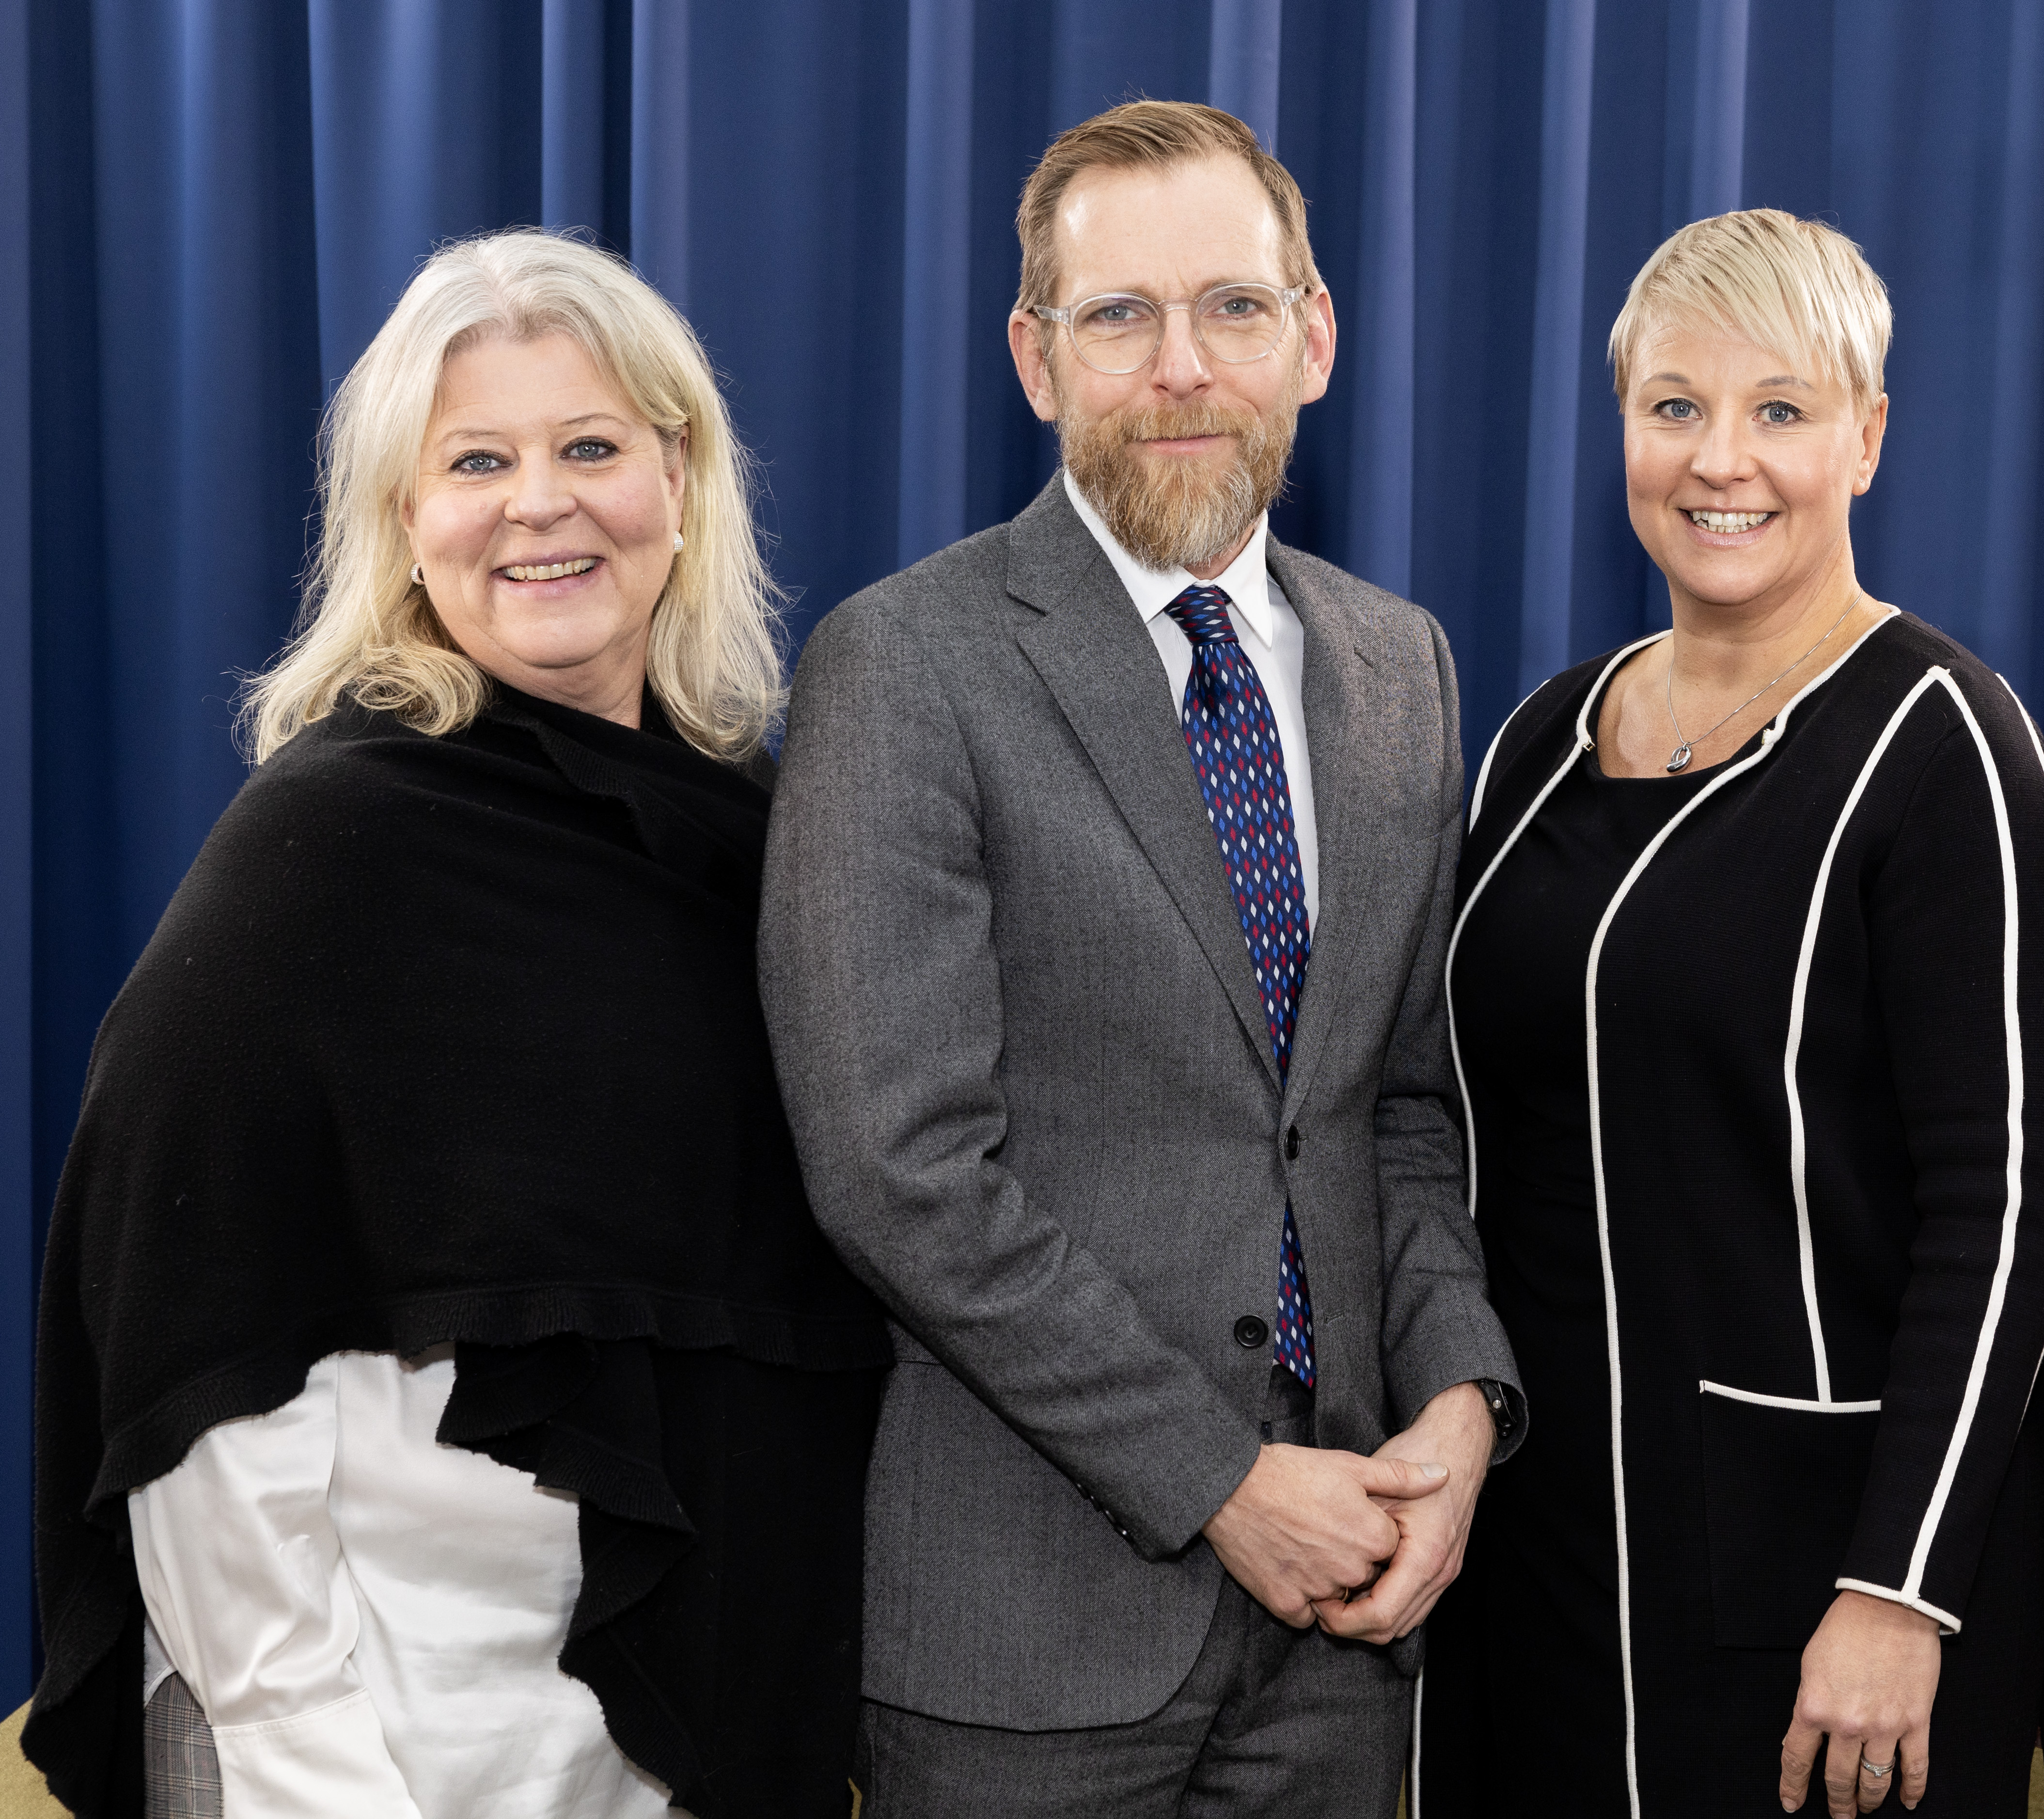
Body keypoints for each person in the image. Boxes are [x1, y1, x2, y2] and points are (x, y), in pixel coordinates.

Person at [22, 230, 893, 1819]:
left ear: (680, 482)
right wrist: (300, 1742)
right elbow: (190, 1337)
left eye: (590, 447)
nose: (539, 503)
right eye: (476, 461)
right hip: (376, 1735)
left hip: (672, 1733)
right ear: (405, 523)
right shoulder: (325, 848)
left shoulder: (756, 837)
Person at [756, 100, 1524, 1819]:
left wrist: (1464, 1396)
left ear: (1313, 339)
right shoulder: (906, 665)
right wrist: (1222, 1480)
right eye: (1120, 316)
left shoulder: (1400, 667)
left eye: (1233, 308)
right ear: (1037, 360)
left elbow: (1401, 1112)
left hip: (1346, 1639)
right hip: (1025, 1644)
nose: (1183, 367)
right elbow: (896, 1171)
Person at [1416, 209, 2044, 1819]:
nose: (1722, 458)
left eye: (1781, 408)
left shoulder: (1943, 743)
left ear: (1866, 436)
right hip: (1533, 1548)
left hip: (1815, 1578)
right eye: (1675, 405)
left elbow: (2011, 1217)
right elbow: (1447, 1124)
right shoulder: (1543, 739)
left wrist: (1901, 1585)